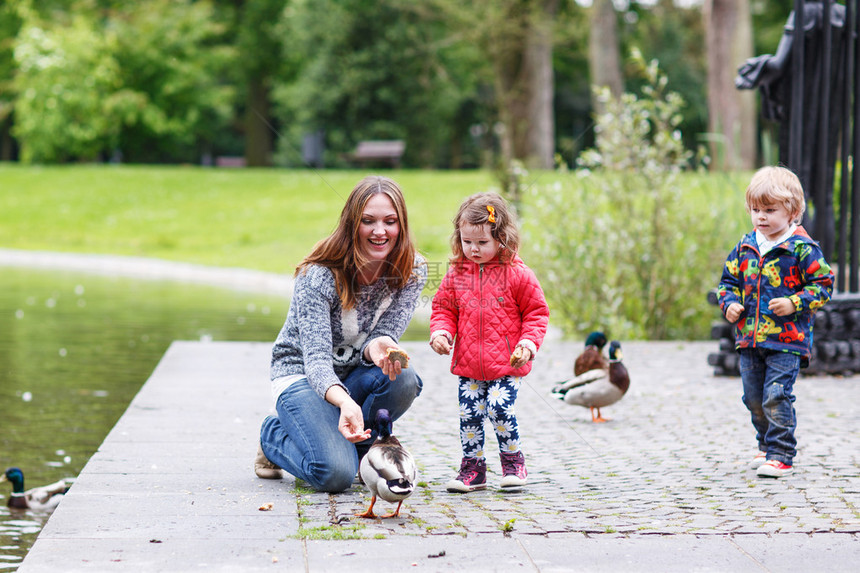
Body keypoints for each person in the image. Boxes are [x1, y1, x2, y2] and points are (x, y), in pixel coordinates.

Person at [255, 175, 427, 492]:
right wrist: (346, 404)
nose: (380, 231)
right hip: (302, 375)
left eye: (390, 221)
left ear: (401, 225)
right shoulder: (319, 275)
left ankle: (359, 447)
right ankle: (274, 435)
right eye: (368, 221)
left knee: (404, 377)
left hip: (354, 374)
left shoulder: (413, 271)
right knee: (334, 475)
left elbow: (386, 332)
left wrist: (381, 347)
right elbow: (317, 361)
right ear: (352, 223)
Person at [716, 166, 834, 478]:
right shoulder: (745, 246)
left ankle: (782, 452)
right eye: (755, 210)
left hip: (788, 341)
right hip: (750, 339)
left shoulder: (801, 249)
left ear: (793, 211)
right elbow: (727, 282)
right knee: (753, 397)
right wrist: (729, 303)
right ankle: (765, 444)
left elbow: (824, 285)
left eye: (770, 210)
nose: (761, 217)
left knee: (776, 394)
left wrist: (794, 302)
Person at [430, 191, 549, 492]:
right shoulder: (457, 274)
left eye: (482, 243)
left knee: (498, 407)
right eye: (467, 242)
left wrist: (528, 345)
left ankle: (513, 462)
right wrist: (441, 333)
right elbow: (444, 309)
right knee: (469, 415)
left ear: (502, 238)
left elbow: (536, 313)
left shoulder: (517, 274)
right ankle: (473, 469)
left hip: (507, 362)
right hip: (470, 366)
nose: (474, 249)